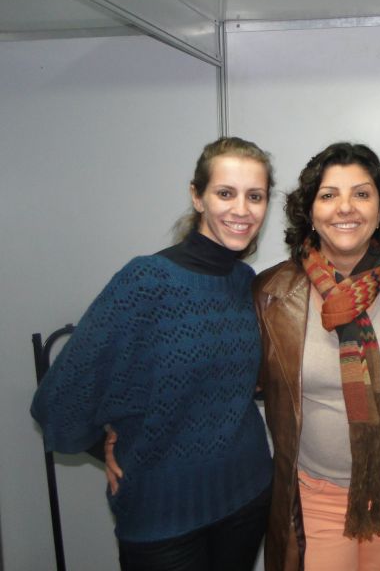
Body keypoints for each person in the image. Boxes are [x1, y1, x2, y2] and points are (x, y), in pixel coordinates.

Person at [30, 137, 275, 571]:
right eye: (225, 193)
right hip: (160, 513)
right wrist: (102, 445)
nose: (242, 209)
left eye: (255, 196)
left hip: (246, 493)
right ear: (197, 196)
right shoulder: (146, 280)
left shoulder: (245, 282)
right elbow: (60, 397)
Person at [252, 142, 380, 571]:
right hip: (312, 498)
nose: (345, 208)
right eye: (328, 195)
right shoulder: (270, 294)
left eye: (361, 193)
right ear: (310, 211)